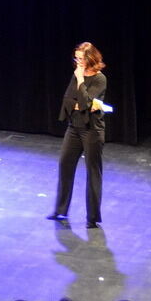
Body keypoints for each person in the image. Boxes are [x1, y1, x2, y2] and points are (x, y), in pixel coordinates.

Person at [47, 42, 107, 228]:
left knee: (92, 172)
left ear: (90, 58)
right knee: (65, 164)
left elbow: (86, 103)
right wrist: (81, 102)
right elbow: (68, 100)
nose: (78, 62)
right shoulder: (76, 75)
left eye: (81, 58)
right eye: (77, 58)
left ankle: (92, 217)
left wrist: (81, 83)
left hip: (92, 131)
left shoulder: (99, 79)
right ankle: (61, 210)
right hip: (74, 128)